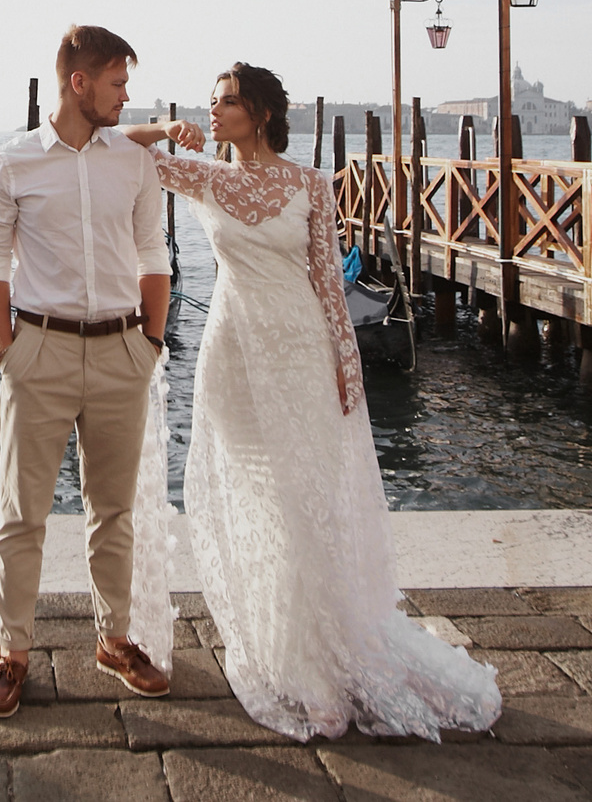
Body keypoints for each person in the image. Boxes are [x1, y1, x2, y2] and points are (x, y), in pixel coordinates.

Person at [120, 63, 501, 742]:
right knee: (262, 505)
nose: (215, 112)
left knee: (308, 505)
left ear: (261, 112)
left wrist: (346, 365)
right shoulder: (206, 175)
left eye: (227, 102)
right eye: (212, 102)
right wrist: (163, 126)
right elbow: (118, 146)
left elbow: (328, 281)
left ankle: (327, 666)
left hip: (299, 352)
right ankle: (293, 663)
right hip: (233, 355)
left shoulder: (311, 185)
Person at [0, 25, 175, 719]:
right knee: (22, 513)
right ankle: (13, 653)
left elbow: (155, 253)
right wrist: (9, 350)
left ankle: (115, 639)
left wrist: (150, 342)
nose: (126, 96)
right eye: (117, 82)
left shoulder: (133, 162)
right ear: (79, 82)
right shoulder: (12, 162)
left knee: (113, 510)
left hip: (122, 352)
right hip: (42, 352)